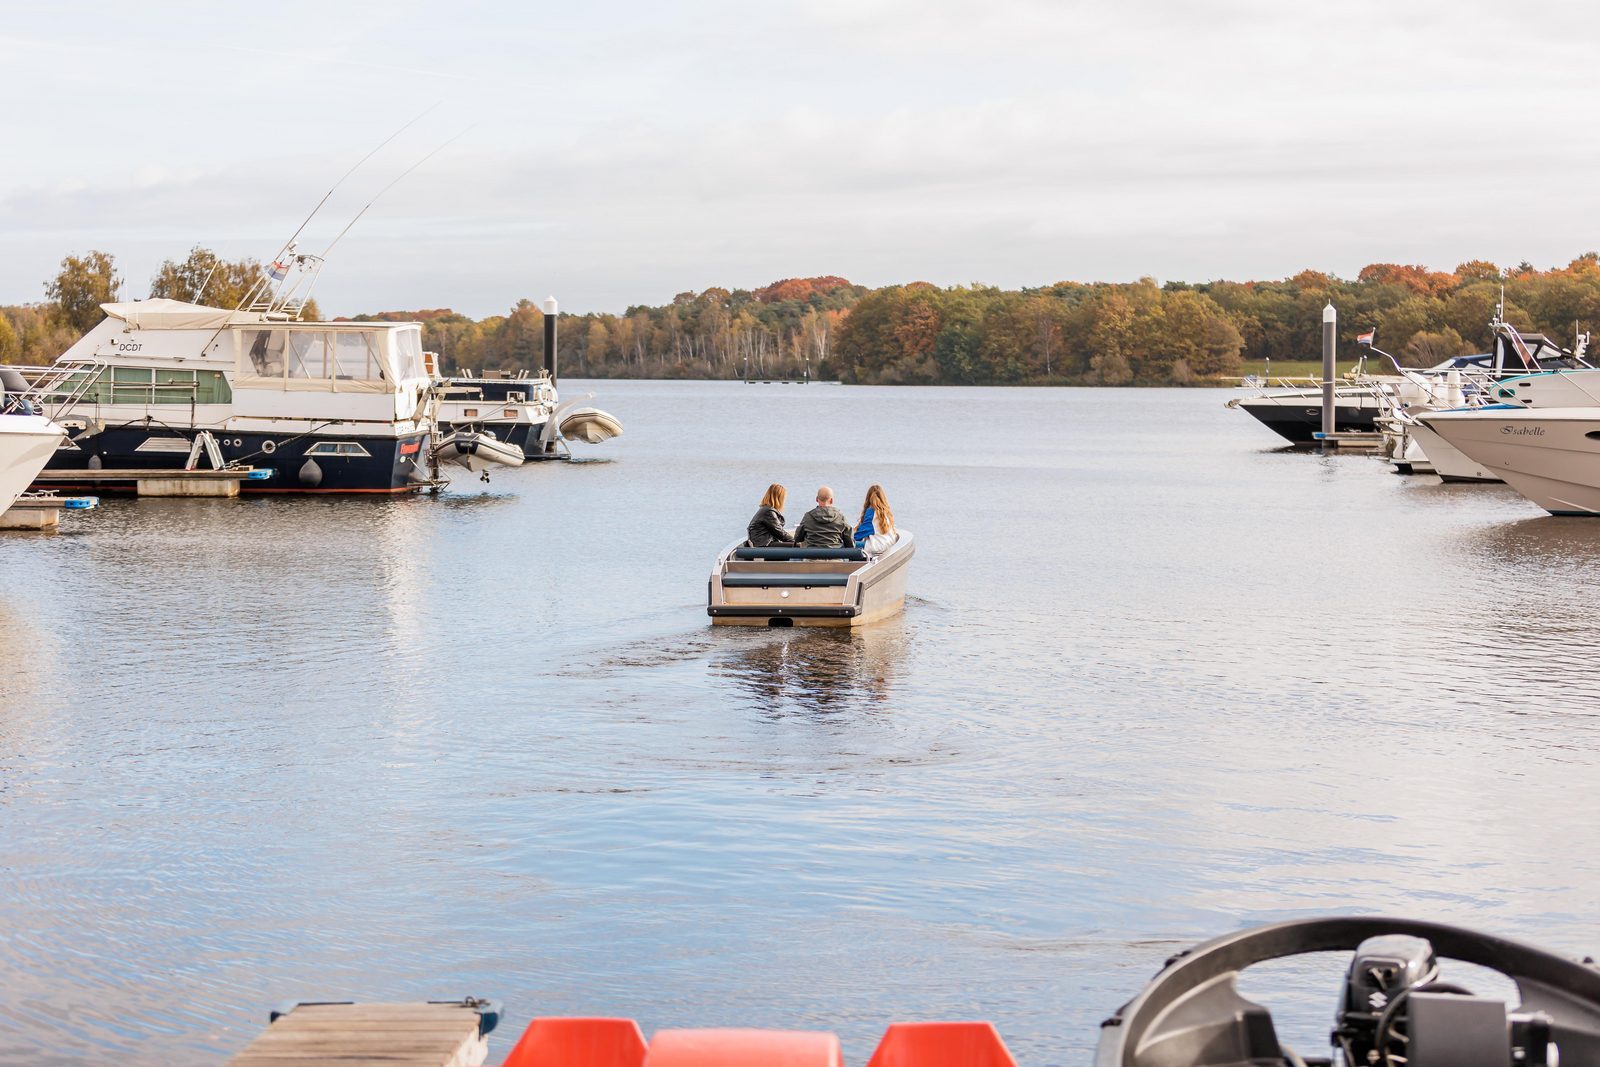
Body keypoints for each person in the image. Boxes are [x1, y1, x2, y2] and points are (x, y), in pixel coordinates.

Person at [853, 484, 898, 554]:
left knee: (846, 545)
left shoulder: (872, 512)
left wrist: (848, 539)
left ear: (868, 498)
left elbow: (860, 534)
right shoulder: (886, 512)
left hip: (877, 546)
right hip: (889, 544)